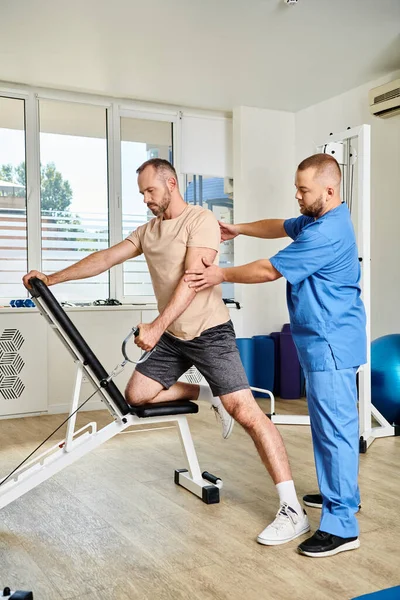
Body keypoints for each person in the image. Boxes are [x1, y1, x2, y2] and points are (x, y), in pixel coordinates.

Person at [23, 158, 309, 546]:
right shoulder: (149, 231)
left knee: (247, 413)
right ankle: (211, 396)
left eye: (150, 191)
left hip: (209, 332)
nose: (145, 199)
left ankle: (292, 509)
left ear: (171, 184)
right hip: (174, 336)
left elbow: (193, 281)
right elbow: (106, 257)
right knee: (136, 395)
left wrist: (156, 327)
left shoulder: (200, 221)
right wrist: (52, 278)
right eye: (142, 192)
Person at [185, 153, 366, 558]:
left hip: (331, 342)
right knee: (327, 427)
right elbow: (279, 226)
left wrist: (220, 274)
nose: (298, 197)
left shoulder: (327, 233)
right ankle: (343, 498)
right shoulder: (319, 217)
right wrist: (238, 228)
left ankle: (342, 526)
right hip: (321, 339)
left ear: (329, 191)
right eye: (297, 189)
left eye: (304, 190)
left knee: (335, 431)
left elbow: (269, 270)